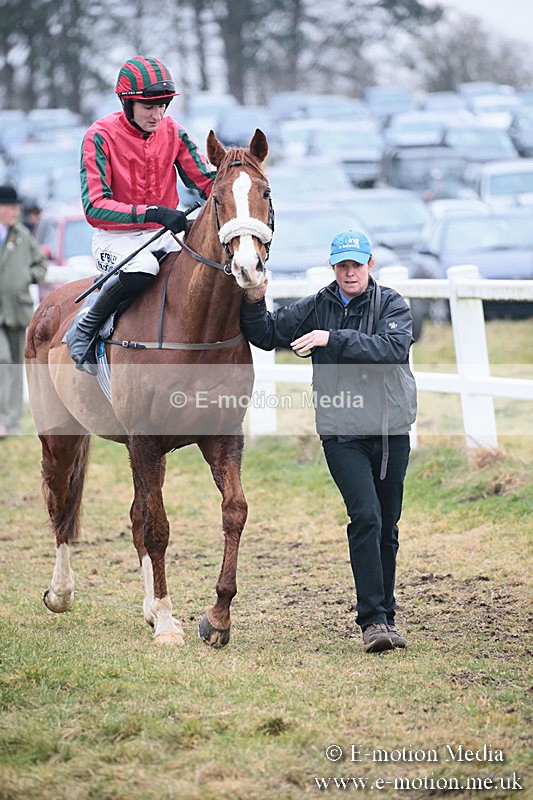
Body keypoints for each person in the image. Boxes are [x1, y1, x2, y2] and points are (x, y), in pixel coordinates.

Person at [240, 230, 417, 653]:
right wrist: (252, 298)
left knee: (387, 528)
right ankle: (372, 620)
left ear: (369, 264)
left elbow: (391, 349)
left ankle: (387, 614)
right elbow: (266, 333)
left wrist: (329, 338)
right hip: (342, 435)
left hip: (391, 432)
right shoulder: (319, 304)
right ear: (333, 267)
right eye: (342, 265)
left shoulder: (391, 303)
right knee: (367, 516)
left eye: (356, 264)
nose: (350, 272)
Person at [67, 55, 216, 373]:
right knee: (144, 268)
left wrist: (236, 184)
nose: (158, 114)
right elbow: (94, 207)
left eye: (163, 105)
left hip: (166, 231)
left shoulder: (173, 131)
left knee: (208, 269)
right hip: (116, 238)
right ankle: (85, 327)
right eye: (150, 106)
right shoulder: (99, 135)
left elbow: (205, 179)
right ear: (126, 102)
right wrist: (156, 213)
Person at [0, 185, 47, 436]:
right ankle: (2, 418)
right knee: (3, 359)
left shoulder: (22, 236)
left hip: (17, 309)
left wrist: (26, 277)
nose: (16, 211)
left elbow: (41, 265)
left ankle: (12, 423)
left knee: (15, 365)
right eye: (11, 207)